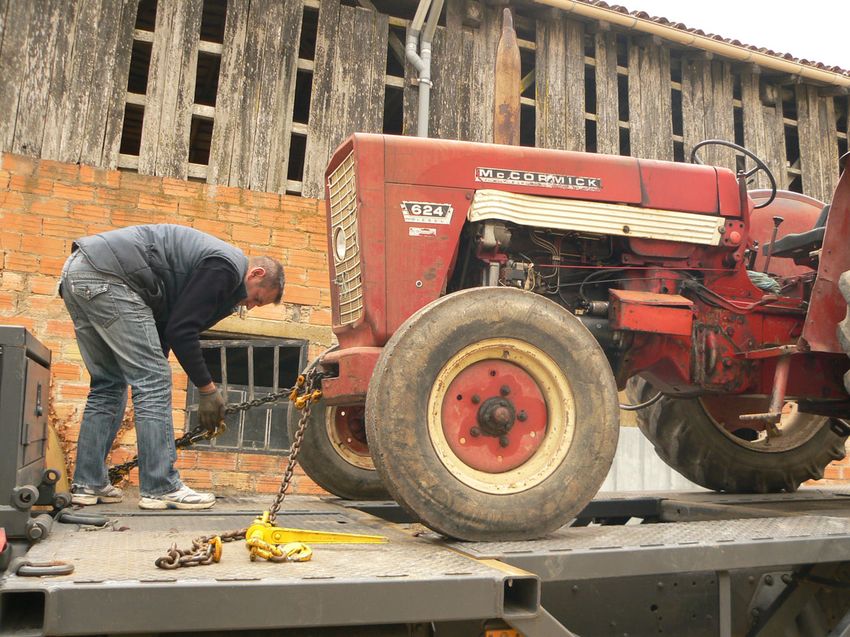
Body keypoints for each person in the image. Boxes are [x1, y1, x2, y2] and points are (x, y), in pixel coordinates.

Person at [59, 224, 285, 510]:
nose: (249, 306)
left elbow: (167, 327)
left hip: (78, 272)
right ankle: (160, 486)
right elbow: (182, 330)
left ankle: (88, 483)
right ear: (256, 274)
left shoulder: (210, 267)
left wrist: (157, 362)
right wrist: (207, 389)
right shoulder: (226, 267)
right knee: (153, 380)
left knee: (109, 383)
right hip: (110, 278)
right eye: (256, 298)